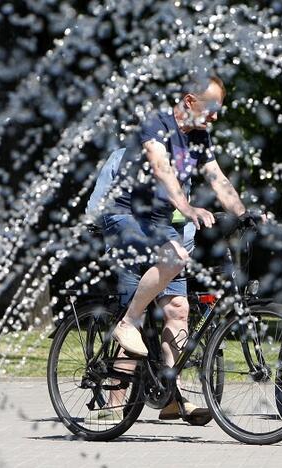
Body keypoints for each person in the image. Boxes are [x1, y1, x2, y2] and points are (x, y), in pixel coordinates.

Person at [87, 74, 247, 425]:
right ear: (189, 101)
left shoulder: (199, 136)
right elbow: (161, 169)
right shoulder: (155, 124)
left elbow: (216, 176)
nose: (216, 116)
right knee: (138, 307)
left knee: (177, 308)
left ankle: (171, 396)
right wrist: (188, 209)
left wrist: (245, 214)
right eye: (212, 107)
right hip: (126, 215)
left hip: (161, 225)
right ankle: (114, 403)